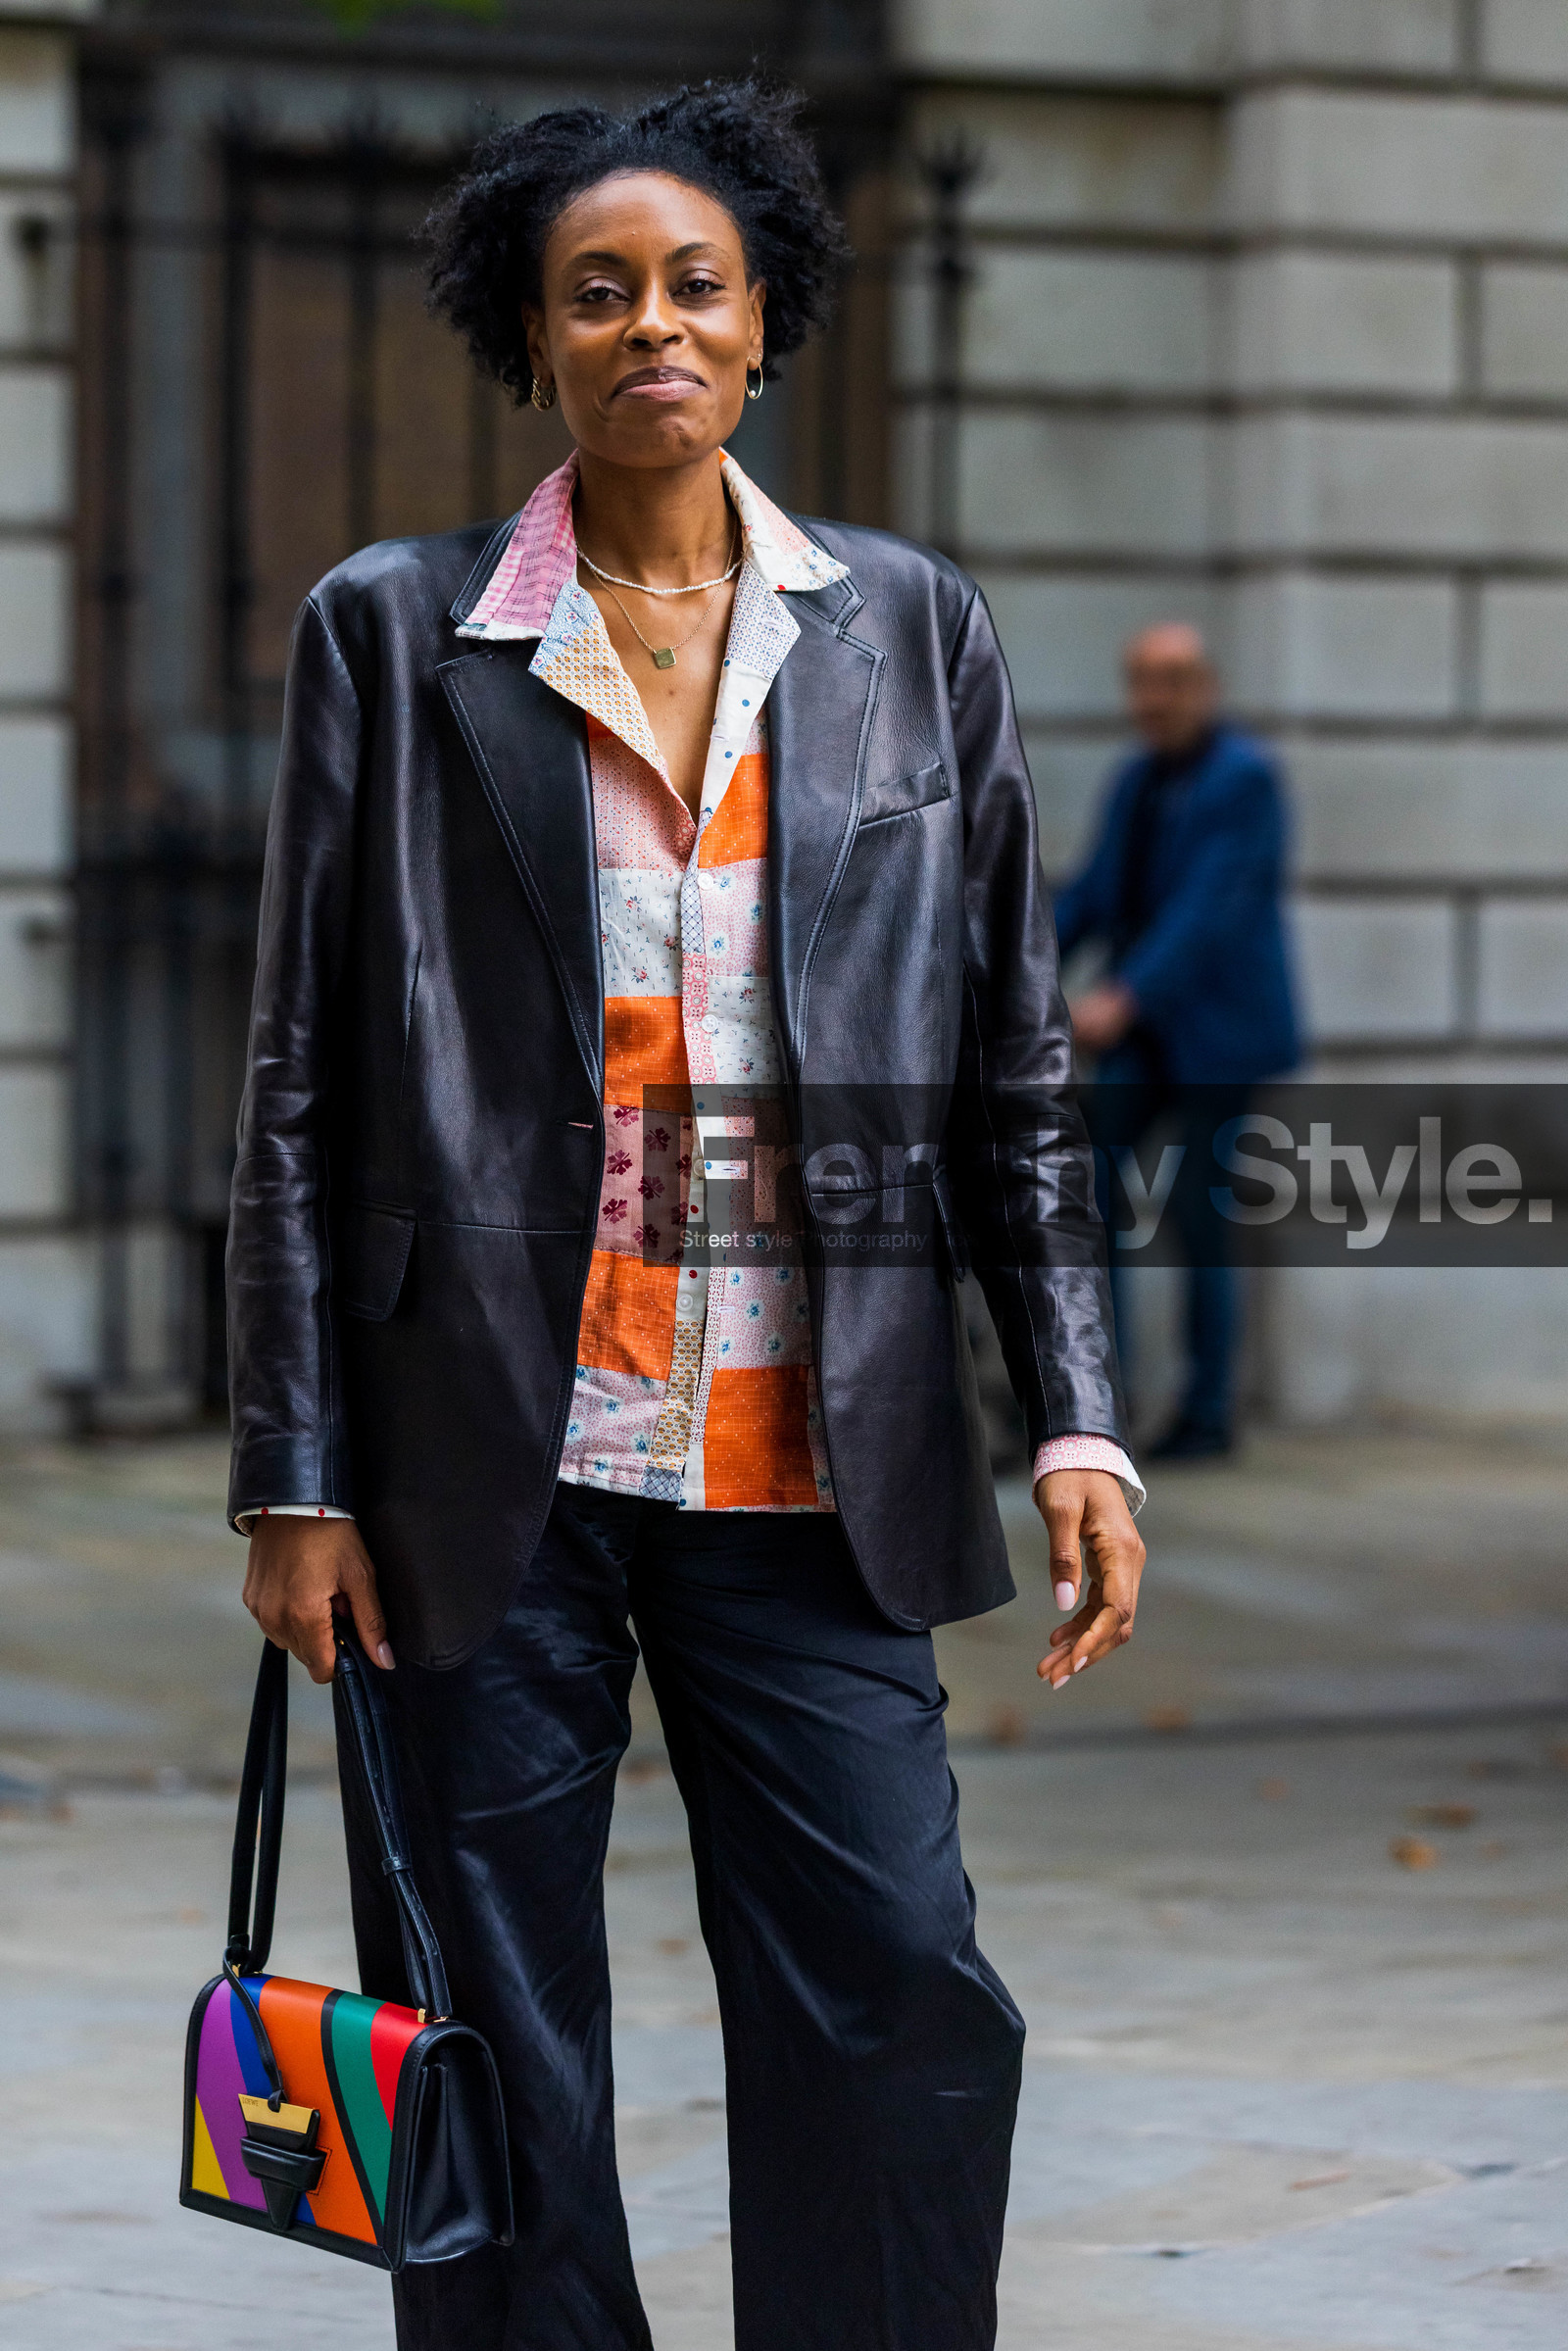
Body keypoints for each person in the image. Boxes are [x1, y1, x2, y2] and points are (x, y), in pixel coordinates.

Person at [227, 82, 1146, 2351]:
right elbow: (299, 1084)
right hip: (484, 1465)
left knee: (897, 1980)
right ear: (531, 335)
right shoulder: (397, 632)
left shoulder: (908, 630)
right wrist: (293, 1466)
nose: (653, 322)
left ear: (765, 323)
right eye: (599, 289)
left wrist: (1078, 1418)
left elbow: (1009, 1065)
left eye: (696, 284)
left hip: (810, 1458)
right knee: (493, 2018)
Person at [1055, 622, 1298, 1459]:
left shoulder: (1245, 781)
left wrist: (1123, 995)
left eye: (1172, 681)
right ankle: (1102, 1400)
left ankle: (1207, 1412)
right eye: (1141, 682)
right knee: (1091, 1197)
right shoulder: (1137, 781)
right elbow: (1092, 891)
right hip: (1148, 1036)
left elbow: (1209, 913)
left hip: (1219, 1038)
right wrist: (1013, 966)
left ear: (1206, 687)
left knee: (1202, 1215)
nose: (1154, 700)